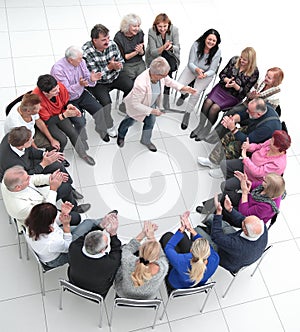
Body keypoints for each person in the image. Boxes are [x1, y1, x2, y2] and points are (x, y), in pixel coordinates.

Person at [117, 57, 196, 152]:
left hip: (151, 104)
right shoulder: (140, 83)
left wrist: (183, 88)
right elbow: (135, 104)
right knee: (128, 122)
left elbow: (169, 81)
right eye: (164, 75)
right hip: (137, 108)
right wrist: (152, 111)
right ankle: (121, 136)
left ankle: (145, 140)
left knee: (150, 123)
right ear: (155, 74)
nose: (165, 77)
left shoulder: (159, 75)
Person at [0, 126, 87, 207]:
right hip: (25, 175)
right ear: (21, 145)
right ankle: (72, 203)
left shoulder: (12, 137)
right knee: (61, 183)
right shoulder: (13, 165)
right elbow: (28, 176)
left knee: (57, 165)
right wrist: (44, 164)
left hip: (28, 162)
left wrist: (45, 154)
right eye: (30, 140)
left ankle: (71, 188)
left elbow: (30, 150)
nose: (33, 140)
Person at [197, 98, 282, 178]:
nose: (247, 111)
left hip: (257, 143)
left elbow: (248, 140)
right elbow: (245, 114)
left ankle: (224, 169)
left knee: (232, 148)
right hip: (252, 131)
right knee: (228, 136)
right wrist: (233, 120)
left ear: (259, 114)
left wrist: (233, 128)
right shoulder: (263, 107)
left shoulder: (268, 127)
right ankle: (213, 161)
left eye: (249, 111)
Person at [191, 47, 259, 141]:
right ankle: (200, 125)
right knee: (207, 102)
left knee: (214, 108)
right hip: (222, 88)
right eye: (241, 57)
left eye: (245, 60)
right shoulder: (234, 60)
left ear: (251, 61)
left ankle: (207, 129)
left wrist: (235, 86)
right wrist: (226, 80)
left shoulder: (254, 72)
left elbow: (245, 92)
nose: (241, 60)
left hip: (234, 95)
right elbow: (222, 74)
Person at [204, 67, 284, 144]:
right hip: (248, 104)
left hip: (257, 115)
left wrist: (257, 99)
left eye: (269, 78)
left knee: (234, 114)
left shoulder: (275, 96)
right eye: (266, 75)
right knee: (231, 113)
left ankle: (219, 136)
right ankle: (215, 135)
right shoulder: (261, 82)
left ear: (275, 81)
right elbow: (247, 94)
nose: (266, 78)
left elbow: (265, 112)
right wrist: (252, 96)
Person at [24, 203, 116, 269]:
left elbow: (56, 223)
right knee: (87, 226)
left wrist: (64, 214)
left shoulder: (33, 223)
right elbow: (69, 247)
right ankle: (102, 223)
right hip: (57, 257)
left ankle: (101, 224)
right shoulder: (52, 242)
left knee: (86, 227)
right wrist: (66, 226)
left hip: (59, 237)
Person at [50, 45, 111, 142]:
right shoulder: (58, 70)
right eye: (79, 59)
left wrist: (91, 79)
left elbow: (86, 76)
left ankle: (101, 129)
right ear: (70, 60)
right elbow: (65, 90)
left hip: (81, 93)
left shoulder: (81, 62)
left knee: (99, 109)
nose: (81, 61)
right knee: (80, 122)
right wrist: (80, 84)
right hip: (67, 99)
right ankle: (80, 139)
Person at [32, 74, 95, 166]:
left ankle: (83, 154)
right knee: (62, 140)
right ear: (45, 93)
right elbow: (47, 121)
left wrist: (69, 106)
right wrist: (65, 115)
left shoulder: (59, 86)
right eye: (54, 91)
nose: (58, 90)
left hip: (60, 113)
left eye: (57, 87)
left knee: (72, 132)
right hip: (47, 122)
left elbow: (66, 102)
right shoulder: (37, 100)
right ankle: (57, 158)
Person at [195, 195, 268, 273]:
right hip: (239, 246)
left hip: (227, 257)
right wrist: (230, 209)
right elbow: (242, 219)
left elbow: (216, 237)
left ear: (245, 231)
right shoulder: (261, 226)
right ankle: (208, 221)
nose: (243, 220)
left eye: (243, 223)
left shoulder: (237, 245)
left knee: (196, 232)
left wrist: (219, 213)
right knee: (218, 222)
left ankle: (200, 231)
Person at [1, 166, 85, 228]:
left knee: (66, 187)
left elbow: (34, 179)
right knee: (76, 218)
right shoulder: (20, 207)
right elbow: (46, 210)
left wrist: (51, 178)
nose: (29, 178)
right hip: (40, 217)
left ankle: (74, 207)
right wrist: (53, 189)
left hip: (40, 198)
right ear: (18, 187)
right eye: (27, 179)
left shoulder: (7, 181)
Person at [82, 23, 134, 126]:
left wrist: (118, 66)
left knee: (131, 86)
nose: (107, 42)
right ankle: (109, 125)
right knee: (106, 103)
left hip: (114, 75)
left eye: (108, 38)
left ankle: (123, 106)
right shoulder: (86, 52)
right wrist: (109, 67)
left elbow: (121, 60)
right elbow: (95, 75)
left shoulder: (112, 44)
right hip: (99, 82)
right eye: (103, 40)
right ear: (94, 40)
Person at [159, 211, 219, 292]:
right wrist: (190, 229)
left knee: (167, 236)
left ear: (191, 250)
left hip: (176, 283)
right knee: (183, 236)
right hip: (197, 282)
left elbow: (169, 248)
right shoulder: (215, 258)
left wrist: (180, 231)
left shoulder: (181, 261)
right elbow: (207, 246)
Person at [68, 211, 121, 297]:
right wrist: (113, 234)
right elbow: (117, 250)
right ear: (102, 250)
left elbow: (84, 237)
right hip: (97, 291)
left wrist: (100, 226)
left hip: (74, 281)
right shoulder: (110, 263)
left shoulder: (74, 248)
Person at [176, 29, 221, 130]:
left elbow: (213, 70)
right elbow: (190, 62)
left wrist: (204, 74)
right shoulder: (196, 45)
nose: (211, 42)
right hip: (193, 68)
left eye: (214, 41)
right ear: (205, 38)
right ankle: (184, 94)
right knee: (179, 85)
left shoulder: (217, 51)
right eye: (209, 39)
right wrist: (196, 70)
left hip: (205, 74)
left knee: (196, 93)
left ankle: (187, 113)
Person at [114, 221, 168, 300]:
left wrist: (143, 233)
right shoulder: (163, 267)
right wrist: (151, 236)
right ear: (157, 258)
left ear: (140, 251)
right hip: (148, 297)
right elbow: (162, 256)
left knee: (123, 248)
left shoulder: (128, 261)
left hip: (123, 294)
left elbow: (127, 249)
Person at [145, 13, 180, 109]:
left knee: (167, 71)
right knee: (161, 72)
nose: (163, 29)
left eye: (165, 26)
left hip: (169, 55)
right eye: (160, 26)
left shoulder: (174, 30)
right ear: (155, 25)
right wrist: (163, 47)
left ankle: (165, 95)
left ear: (169, 24)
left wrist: (171, 47)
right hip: (155, 57)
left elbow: (178, 48)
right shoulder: (151, 31)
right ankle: (160, 96)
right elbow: (153, 52)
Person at [114, 13, 146, 81]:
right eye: (134, 26)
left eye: (138, 26)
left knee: (144, 79)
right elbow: (123, 57)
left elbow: (143, 53)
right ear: (127, 26)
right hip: (126, 64)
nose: (137, 28)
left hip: (139, 62)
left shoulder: (140, 33)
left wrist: (141, 51)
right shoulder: (119, 37)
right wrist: (136, 52)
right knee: (132, 80)